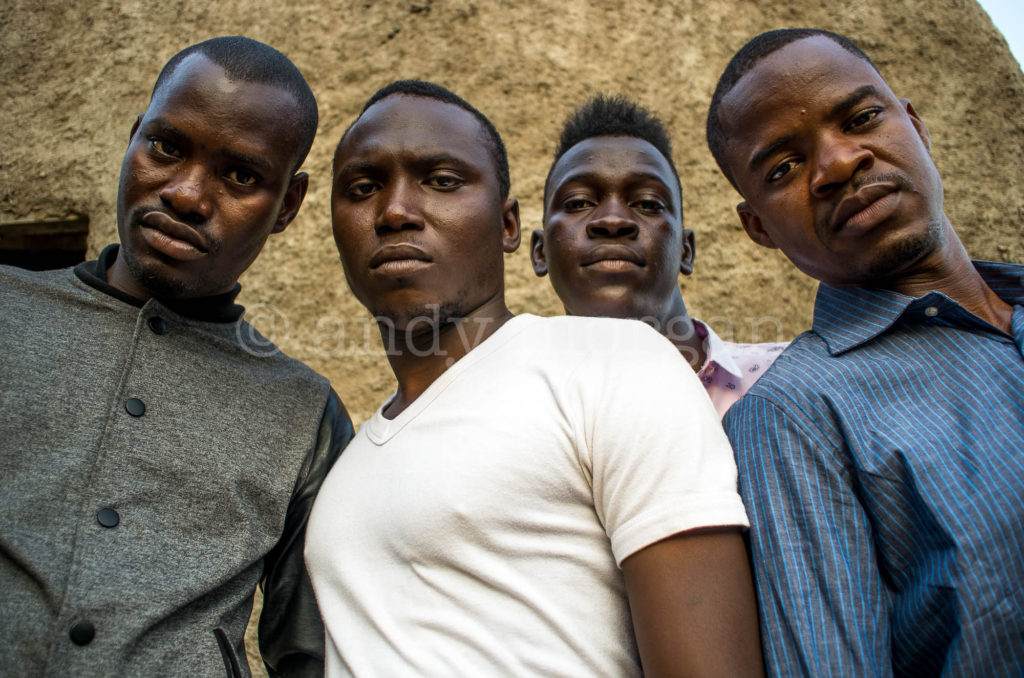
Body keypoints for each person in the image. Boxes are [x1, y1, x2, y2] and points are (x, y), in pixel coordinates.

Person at [305, 80, 764, 677]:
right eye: (363, 189)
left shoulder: (616, 363)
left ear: (508, 226)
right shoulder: (344, 473)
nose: (394, 211)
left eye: (442, 181)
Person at [0, 36, 353, 677]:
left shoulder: (306, 414)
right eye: (166, 147)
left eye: (241, 175)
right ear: (135, 137)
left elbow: (311, 656)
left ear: (289, 206)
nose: (187, 194)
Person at [706, 27, 1024, 676]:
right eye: (784, 168)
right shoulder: (796, 418)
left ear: (915, 125)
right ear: (759, 226)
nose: (838, 165)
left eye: (862, 118)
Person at [531, 94, 787, 417]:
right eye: (579, 202)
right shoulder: (513, 409)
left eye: (648, 203)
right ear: (540, 252)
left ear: (685, 250)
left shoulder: (789, 380)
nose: (613, 221)